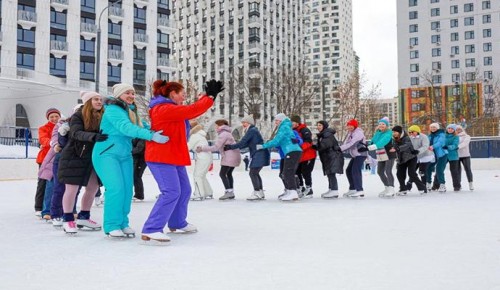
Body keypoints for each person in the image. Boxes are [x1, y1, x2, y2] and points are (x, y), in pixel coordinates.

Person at [141, 79, 222, 244]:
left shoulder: (172, 108)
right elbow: (191, 110)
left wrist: (205, 97)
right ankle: (152, 229)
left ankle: (177, 222)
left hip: (173, 156)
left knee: (184, 189)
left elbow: (189, 111)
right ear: (172, 94)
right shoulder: (162, 109)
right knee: (171, 191)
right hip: (161, 156)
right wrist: (210, 97)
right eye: (182, 93)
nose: (184, 96)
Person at [92, 84, 169, 238]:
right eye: (127, 93)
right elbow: (126, 127)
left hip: (125, 154)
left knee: (127, 190)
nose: (131, 96)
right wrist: (150, 136)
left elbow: (141, 125)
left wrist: (152, 130)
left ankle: (122, 223)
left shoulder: (130, 111)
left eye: (133, 93)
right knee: (116, 188)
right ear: (119, 94)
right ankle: (112, 225)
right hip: (107, 154)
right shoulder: (113, 110)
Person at [58, 92, 105, 234]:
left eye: (100, 99)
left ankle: (84, 216)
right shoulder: (78, 115)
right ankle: (67, 219)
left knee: (93, 187)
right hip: (75, 155)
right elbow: (75, 133)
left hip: (93, 157)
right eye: (95, 99)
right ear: (88, 101)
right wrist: (94, 136)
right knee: (71, 189)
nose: (99, 101)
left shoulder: (103, 115)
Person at [224, 115, 270, 201]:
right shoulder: (252, 130)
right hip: (259, 153)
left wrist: (230, 147)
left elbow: (242, 143)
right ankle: (260, 192)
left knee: (253, 173)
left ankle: (257, 192)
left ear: (249, 123)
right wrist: (234, 147)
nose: (243, 124)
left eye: (245, 122)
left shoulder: (251, 131)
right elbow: (244, 144)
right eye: (242, 122)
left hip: (259, 153)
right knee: (255, 173)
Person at [258, 113, 302, 201]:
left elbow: (276, 141)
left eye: (277, 120)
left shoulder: (284, 127)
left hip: (292, 151)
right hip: (291, 151)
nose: (275, 122)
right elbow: (278, 142)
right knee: (286, 173)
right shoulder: (285, 127)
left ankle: (293, 192)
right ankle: (290, 191)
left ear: (281, 120)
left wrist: (263, 146)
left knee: (288, 173)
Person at [197, 119, 241, 200]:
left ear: (220, 125)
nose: (215, 127)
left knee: (222, 174)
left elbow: (216, 147)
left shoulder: (223, 134)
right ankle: (230, 192)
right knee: (229, 173)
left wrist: (202, 148)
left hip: (229, 156)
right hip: (234, 155)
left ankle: (229, 192)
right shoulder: (227, 133)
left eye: (216, 125)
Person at [34, 108, 61, 217]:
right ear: (48, 118)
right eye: (51, 117)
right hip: (44, 159)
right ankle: (39, 207)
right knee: (43, 183)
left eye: (56, 116)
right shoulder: (43, 128)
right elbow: (42, 139)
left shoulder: (62, 127)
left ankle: (53, 205)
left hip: (57, 159)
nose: (54, 119)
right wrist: (52, 143)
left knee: (55, 183)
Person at [390, 126, 427, 197]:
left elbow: (407, 145)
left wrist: (397, 148)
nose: (394, 133)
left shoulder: (406, 138)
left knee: (411, 173)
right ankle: (403, 189)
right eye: (393, 132)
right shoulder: (394, 139)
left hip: (411, 158)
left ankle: (422, 188)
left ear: (399, 132)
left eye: (395, 132)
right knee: (399, 174)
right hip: (401, 159)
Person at [367, 117, 397, 197]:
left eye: (383, 124)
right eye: (380, 124)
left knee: (388, 171)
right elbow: (372, 141)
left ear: (386, 125)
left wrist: (374, 146)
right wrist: (369, 145)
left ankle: (391, 188)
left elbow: (383, 141)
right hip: (380, 154)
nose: (381, 125)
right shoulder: (377, 133)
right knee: (380, 171)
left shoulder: (389, 133)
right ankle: (387, 188)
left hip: (389, 154)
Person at [313, 120, 344, 199]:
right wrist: (315, 146)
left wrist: (316, 145)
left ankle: (334, 190)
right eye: (318, 125)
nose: (318, 127)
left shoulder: (327, 135)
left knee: (331, 173)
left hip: (332, 156)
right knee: (329, 173)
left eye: (320, 125)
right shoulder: (323, 135)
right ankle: (331, 189)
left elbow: (324, 145)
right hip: (329, 157)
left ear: (324, 126)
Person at [339, 119, 367, 198]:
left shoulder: (358, 133)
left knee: (355, 170)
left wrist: (340, 149)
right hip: (356, 155)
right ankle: (353, 188)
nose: (349, 127)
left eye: (351, 125)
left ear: (355, 126)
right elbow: (347, 144)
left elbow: (352, 144)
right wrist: (341, 148)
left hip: (361, 154)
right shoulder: (351, 133)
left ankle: (359, 190)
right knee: (348, 170)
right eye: (348, 125)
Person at [291, 115, 317, 198]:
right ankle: (301, 188)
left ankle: (309, 189)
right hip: (300, 156)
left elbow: (308, 142)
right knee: (297, 172)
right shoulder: (293, 130)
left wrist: (300, 148)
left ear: (297, 123)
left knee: (305, 172)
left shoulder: (304, 130)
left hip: (308, 155)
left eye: (293, 122)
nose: (292, 124)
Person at [187, 120, 214, 201]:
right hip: (207, 157)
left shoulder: (195, 136)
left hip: (202, 157)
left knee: (197, 175)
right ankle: (208, 192)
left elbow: (187, 147)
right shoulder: (201, 135)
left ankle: (199, 194)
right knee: (201, 175)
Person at [406, 124, 434, 192]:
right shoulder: (410, 138)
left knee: (422, 171)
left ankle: (424, 186)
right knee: (412, 171)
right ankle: (409, 183)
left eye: (412, 132)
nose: (411, 134)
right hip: (416, 156)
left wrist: (418, 151)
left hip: (426, 155)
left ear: (417, 131)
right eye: (410, 132)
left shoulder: (423, 137)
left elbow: (425, 146)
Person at [426, 123, 448, 192]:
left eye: (434, 127)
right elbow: (426, 143)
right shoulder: (430, 136)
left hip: (442, 154)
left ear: (437, 128)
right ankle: (428, 184)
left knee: (439, 170)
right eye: (431, 127)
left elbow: (440, 143)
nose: (433, 128)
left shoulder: (442, 134)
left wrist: (432, 146)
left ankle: (442, 185)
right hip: (433, 155)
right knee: (428, 168)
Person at [456, 125, 474, 191]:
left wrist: (457, 147)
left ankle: (470, 183)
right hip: (456, 156)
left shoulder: (467, 136)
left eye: (459, 129)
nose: (458, 130)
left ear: (462, 129)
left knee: (468, 169)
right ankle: (458, 184)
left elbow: (465, 143)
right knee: (457, 170)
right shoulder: (454, 137)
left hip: (465, 155)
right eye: (457, 129)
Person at [444, 124, 460, 191]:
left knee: (454, 171)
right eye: (449, 128)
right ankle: (436, 185)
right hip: (444, 155)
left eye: (452, 129)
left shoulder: (456, 137)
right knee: (440, 170)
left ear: (454, 130)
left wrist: (448, 147)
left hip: (453, 156)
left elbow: (455, 145)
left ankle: (457, 186)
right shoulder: (443, 136)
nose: (450, 130)